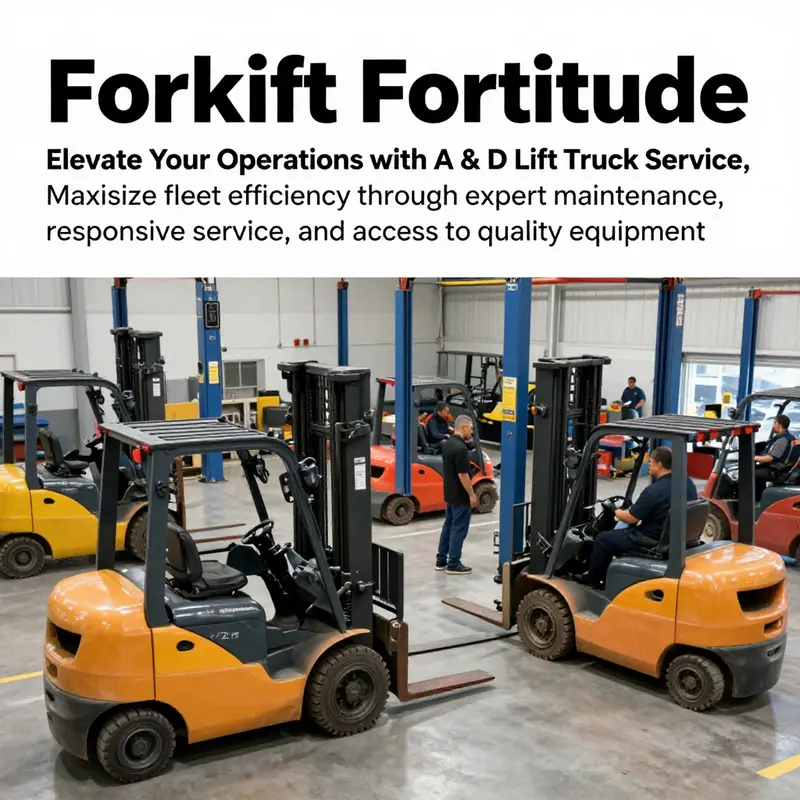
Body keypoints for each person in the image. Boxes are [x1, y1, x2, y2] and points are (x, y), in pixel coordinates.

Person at [583, 446, 697, 588]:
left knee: (602, 540)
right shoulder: (687, 483)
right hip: (673, 537)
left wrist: (616, 512)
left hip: (649, 539)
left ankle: (595, 581)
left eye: (650, 462)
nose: (649, 465)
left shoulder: (654, 491)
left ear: (659, 464)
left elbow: (632, 518)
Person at [436, 415, 477, 575]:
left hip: (449, 493)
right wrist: (471, 494)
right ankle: (453, 563)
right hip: (460, 496)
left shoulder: (447, 444)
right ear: (464, 428)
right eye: (471, 428)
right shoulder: (460, 449)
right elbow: (463, 475)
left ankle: (441, 560)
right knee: (458, 529)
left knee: (448, 526)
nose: (472, 432)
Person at [754, 414, 794, 502]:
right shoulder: (783, 437)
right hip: (778, 468)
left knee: (751, 473)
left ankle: (756, 499)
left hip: (776, 471)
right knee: (757, 472)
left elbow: (769, 458)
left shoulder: (782, 440)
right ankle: (758, 497)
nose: (773, 425)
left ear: (779, 424)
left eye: (774, 423)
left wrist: (754, 457)